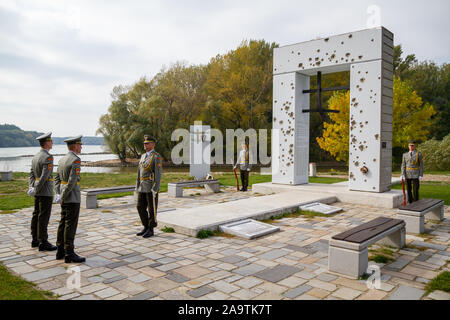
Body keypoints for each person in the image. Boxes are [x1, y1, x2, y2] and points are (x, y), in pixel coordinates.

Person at [54, 135, 85, 263]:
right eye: (80, 145)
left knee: (63, 223)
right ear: (75, 146)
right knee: (70, 225)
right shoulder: (75, 160)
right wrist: (63, 195)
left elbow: (57, 179)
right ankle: (69, 252)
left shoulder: (62, 160)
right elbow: (72, 182)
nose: (81, 147)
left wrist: (58, 193)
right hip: (71, 197)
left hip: (64, 196)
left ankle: (60, 250)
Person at [28, 132, 57, 251]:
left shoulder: (35, 157)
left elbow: (31, 174)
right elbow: (45, 176)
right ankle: (43, 241)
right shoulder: (48, 157)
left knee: (36, 214)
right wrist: (37, 188)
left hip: (37, 189)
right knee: (43, 216)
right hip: (45, 190)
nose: (52, 143)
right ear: (46, 143)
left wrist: (32, 187)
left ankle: (35, 239)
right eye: (50, 141)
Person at [136, 135, 162, 238]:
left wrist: (155, 188)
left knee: (152, 209)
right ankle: (145, 226)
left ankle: (151, 229)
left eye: (147, 143)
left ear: (153, 144)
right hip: (142, 186)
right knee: (140, 207)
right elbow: (139, 172)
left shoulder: (156, 156)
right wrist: (137, 185)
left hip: (151, 186)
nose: (145, 145)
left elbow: (158, 174)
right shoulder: (143, 156)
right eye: (144, 143)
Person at [401, 139, 424, 204]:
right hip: (407, 174)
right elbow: (403, 165)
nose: (411, 147)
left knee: (415, 190)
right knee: (408, 189)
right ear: (408, 146)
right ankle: (410, 202)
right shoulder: (405, 155)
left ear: (415, 146)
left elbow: (421, 165)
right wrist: (402, 174)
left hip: (416, 174)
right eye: (410, 145)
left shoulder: (418, 154)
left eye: (412, 145)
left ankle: (416, 202)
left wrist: (420, 174)